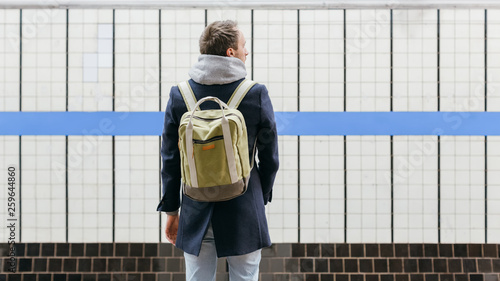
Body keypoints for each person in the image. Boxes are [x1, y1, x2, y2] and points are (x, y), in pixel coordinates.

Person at [156, 20, 279, 281]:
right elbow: (269, 157)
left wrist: (171, 210)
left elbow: (170, 158)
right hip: (244, 205)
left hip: (195, 206)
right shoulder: (255, 93)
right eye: (244, 46)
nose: (247, 51)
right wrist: (262, 195)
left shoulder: (180, 95)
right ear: (230, 53)